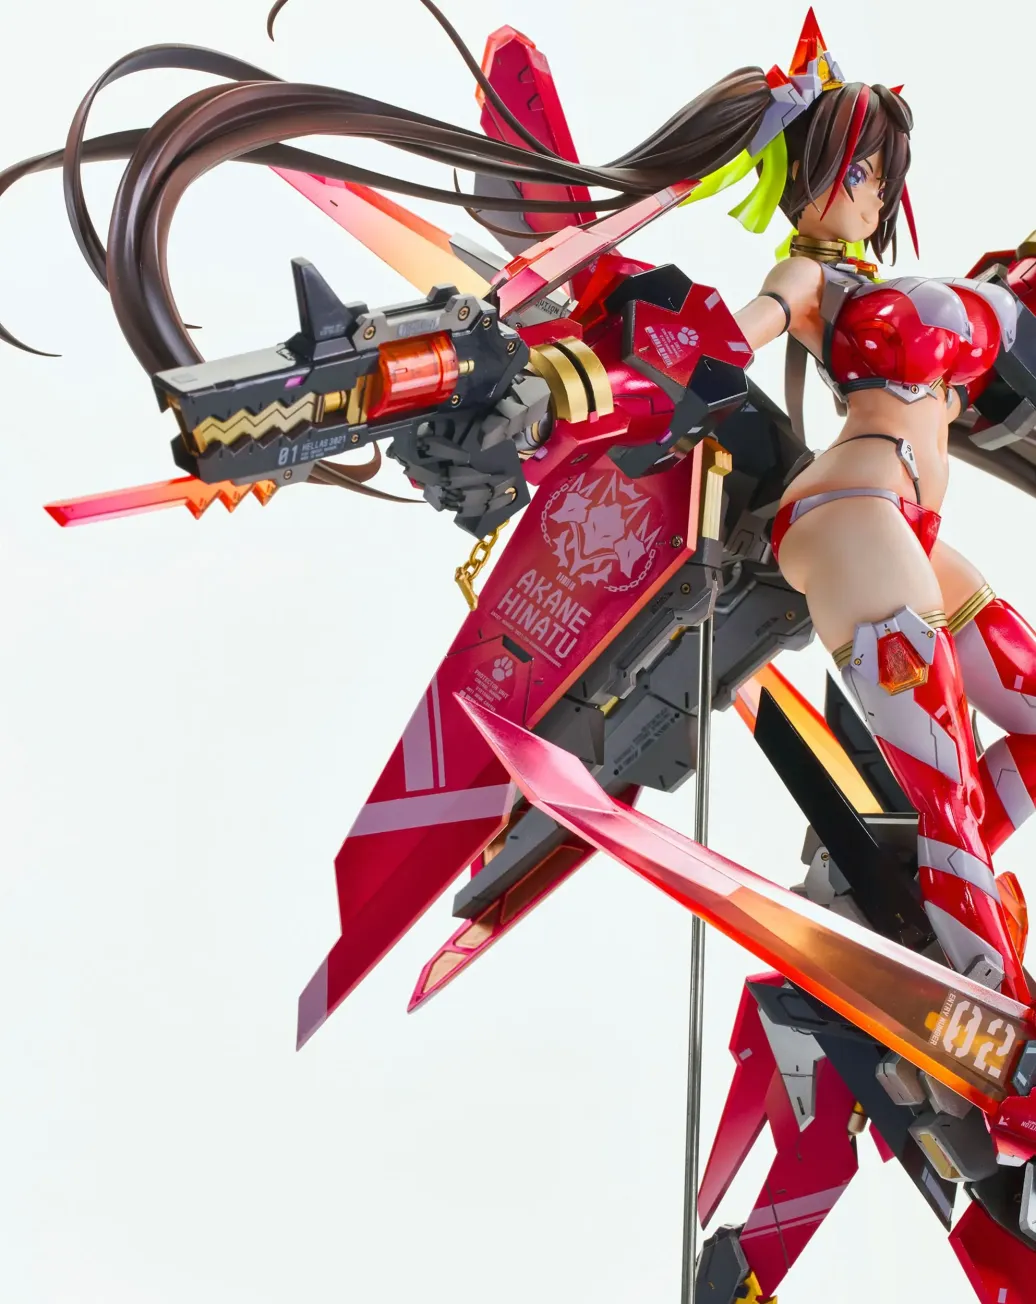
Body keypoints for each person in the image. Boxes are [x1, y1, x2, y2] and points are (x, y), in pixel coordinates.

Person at [1, 3, 1033, 999]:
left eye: (877, 174)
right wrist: (569, 386)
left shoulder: (916, 296)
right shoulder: (813, 286)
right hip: (853, 515)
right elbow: (717, 341)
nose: (867, 192)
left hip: (909, 527)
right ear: (808, 175)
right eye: (855, 168)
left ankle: (885, 886)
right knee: (934, 756)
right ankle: (978, 963)